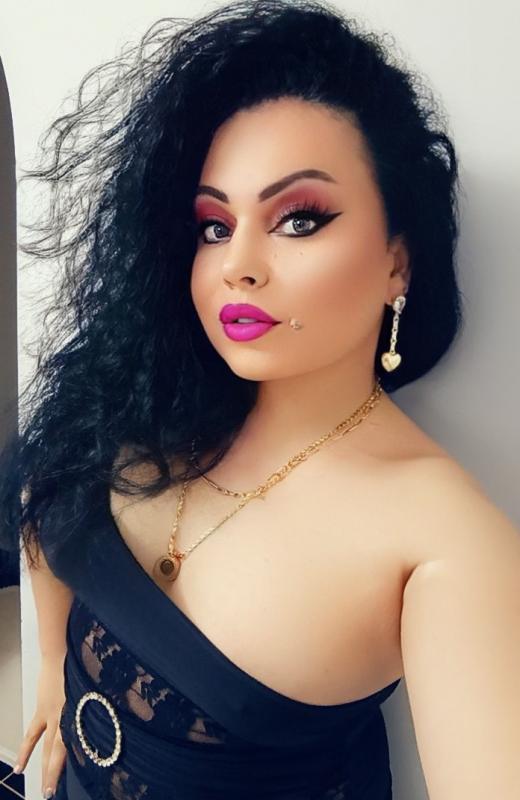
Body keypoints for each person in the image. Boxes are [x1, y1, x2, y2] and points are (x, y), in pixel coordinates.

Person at [1, 0, 519, 798]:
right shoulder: (152, 390)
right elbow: (48, 489)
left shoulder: (446, 542)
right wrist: (50, 667)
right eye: (214, 226)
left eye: (299, 220)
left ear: (398, 261)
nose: (237, 265)